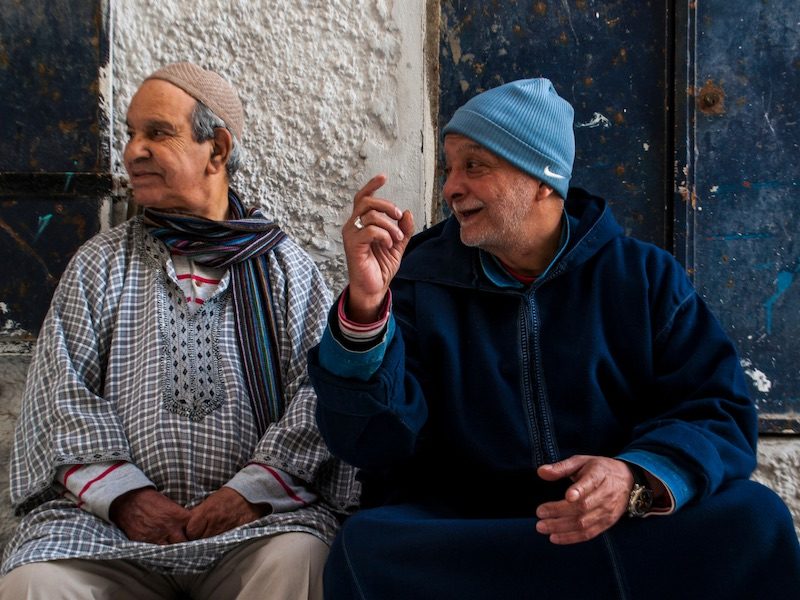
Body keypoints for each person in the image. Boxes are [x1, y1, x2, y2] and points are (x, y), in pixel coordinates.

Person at [307, 78, 800, 599]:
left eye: (475, 166)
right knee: (366, 548)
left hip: (617, 526)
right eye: (449, 168)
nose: (451, 188)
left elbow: (718, 409)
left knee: (754, 520)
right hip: (482, 540)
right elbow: (369, 443)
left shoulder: (643, 277)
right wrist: (365, 308)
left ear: (544, 179)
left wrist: (635, 477)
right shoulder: (416, 282)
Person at [0, 62, 357, 600]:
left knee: (301, 560)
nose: (132, 151)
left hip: (250, 528)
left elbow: (319, 396)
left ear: (216, 149)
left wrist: (249, 492)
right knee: (35, 582)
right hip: (109, 533)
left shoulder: (284, 267)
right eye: (131, 133)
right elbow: (61, 398)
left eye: (157, 133)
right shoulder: (100, 264)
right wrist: (125, 498)